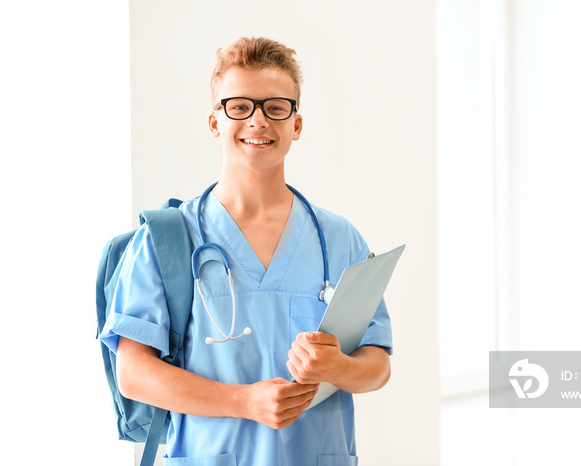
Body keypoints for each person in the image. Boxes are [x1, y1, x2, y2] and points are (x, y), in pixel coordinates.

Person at [100, 36, 392, 465]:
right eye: (239, 106)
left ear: (296, 124)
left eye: (276, 107)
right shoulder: (166, 241)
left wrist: (339, 369)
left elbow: (378, 364)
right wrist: (244, 401)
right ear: (215, 121)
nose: (258, 121)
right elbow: (133, 374)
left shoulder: (339, 237)